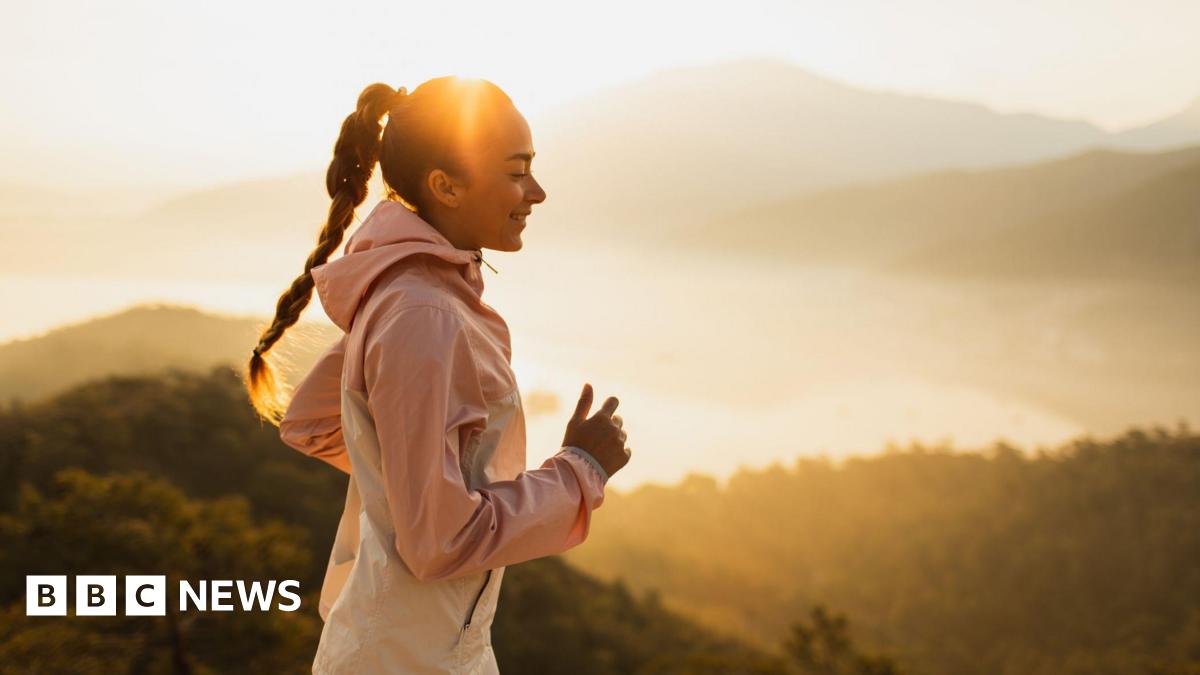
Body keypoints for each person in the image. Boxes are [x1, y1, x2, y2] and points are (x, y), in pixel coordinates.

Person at [243, 77, 632, 674]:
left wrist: (413, 472)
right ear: (445, 185)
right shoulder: (422, 311)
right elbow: (440, 541)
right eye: (516, 171)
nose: (538, 192)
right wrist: (580, 470)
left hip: (423, 645)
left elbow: (312, 423)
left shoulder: (411, 296)